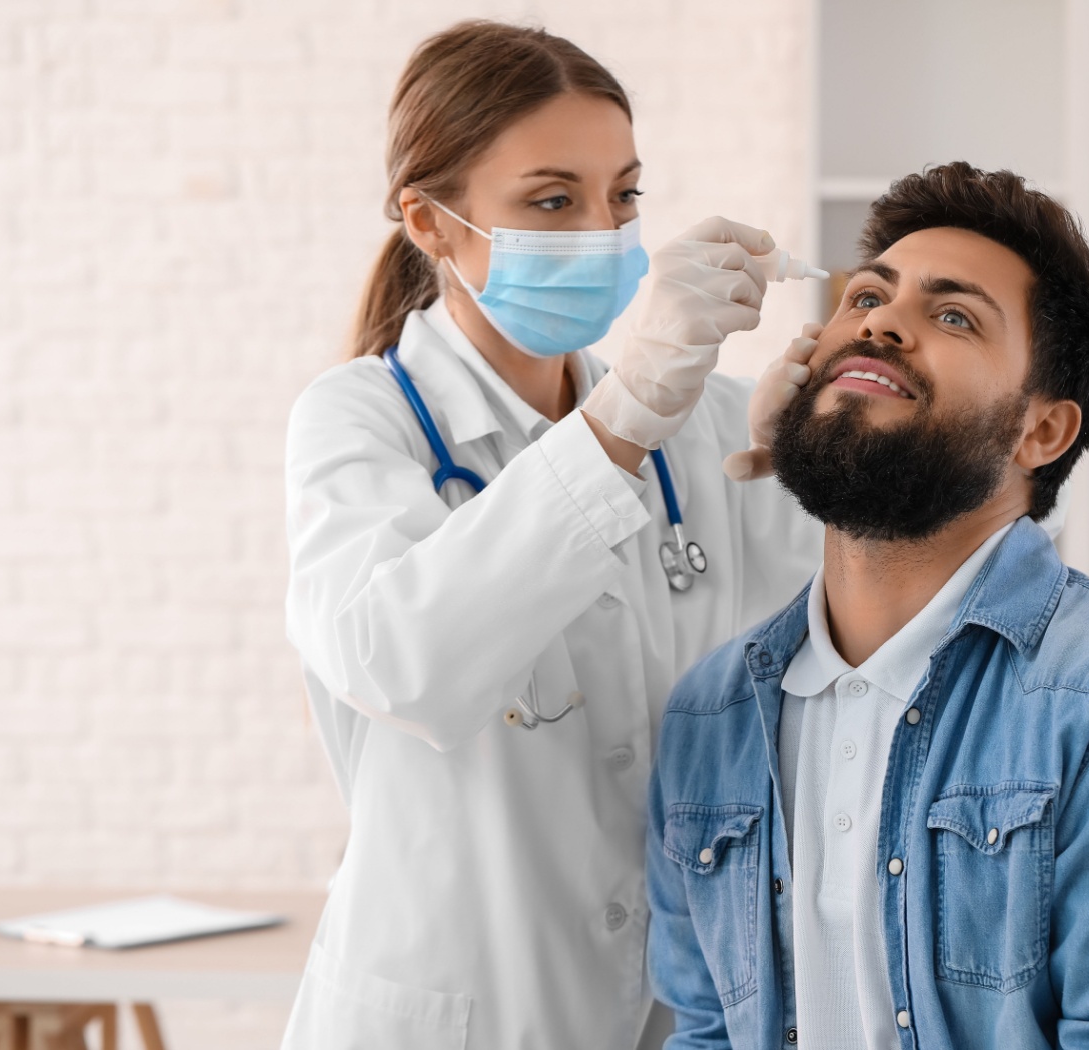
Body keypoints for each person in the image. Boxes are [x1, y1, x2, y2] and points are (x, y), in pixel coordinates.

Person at [647, 162, 1089, 1049]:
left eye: (953, 316)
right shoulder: (711, 714)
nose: (880, 322)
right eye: (865, 296)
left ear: (1042, 431)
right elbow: (708, 1032)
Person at [281, 21, 823, 1050]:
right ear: (430, 223)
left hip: (666, 1010)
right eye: (551, 201)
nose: (602, 233)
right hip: (451, 1018)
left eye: (623, 196)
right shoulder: (358, 422)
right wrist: (620, 424)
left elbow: (802, 689)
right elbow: (405, 662)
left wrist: (830, 462)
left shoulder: (697, 429)